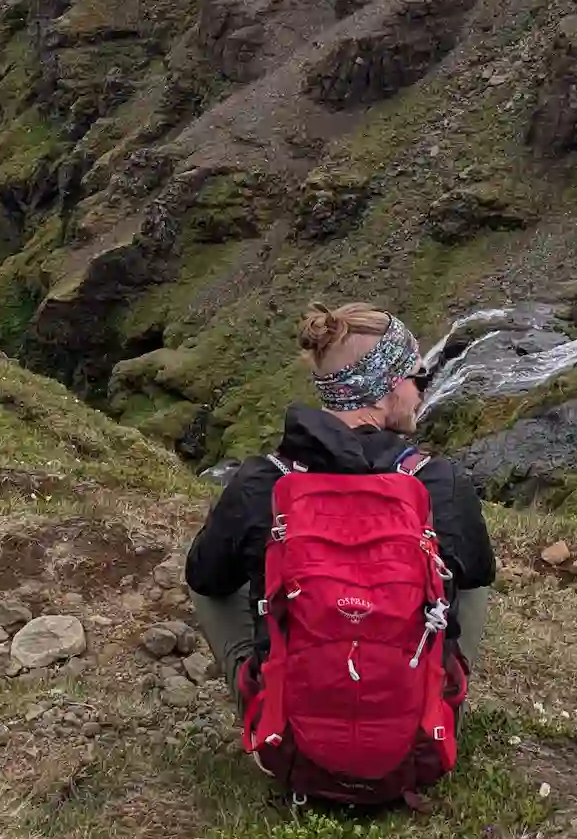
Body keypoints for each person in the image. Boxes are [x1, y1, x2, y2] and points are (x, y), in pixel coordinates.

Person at [185, 301, 495, 802]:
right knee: (471, 580)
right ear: (389, 384)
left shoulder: (263, 479)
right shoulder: (440, 481)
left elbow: (204, 579)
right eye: (416, 377)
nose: (421, 391)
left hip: (292, 755)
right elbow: (478, 570)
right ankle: (437, 703)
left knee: (216, 570)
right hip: (416, 754)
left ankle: (266, 699)